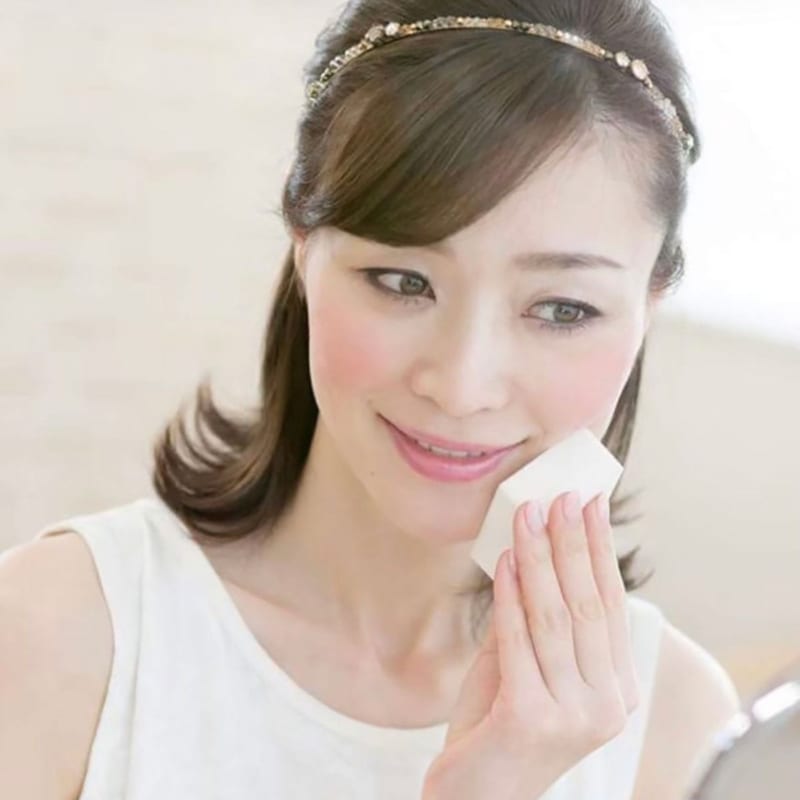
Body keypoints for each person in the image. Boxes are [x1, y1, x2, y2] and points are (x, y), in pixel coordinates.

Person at [0, 2, 742, 799]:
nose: (461, 385)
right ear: (303, 249)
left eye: (562, 309)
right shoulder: (57, 636)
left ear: (649, 306)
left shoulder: (676, 724)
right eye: (402, 281)